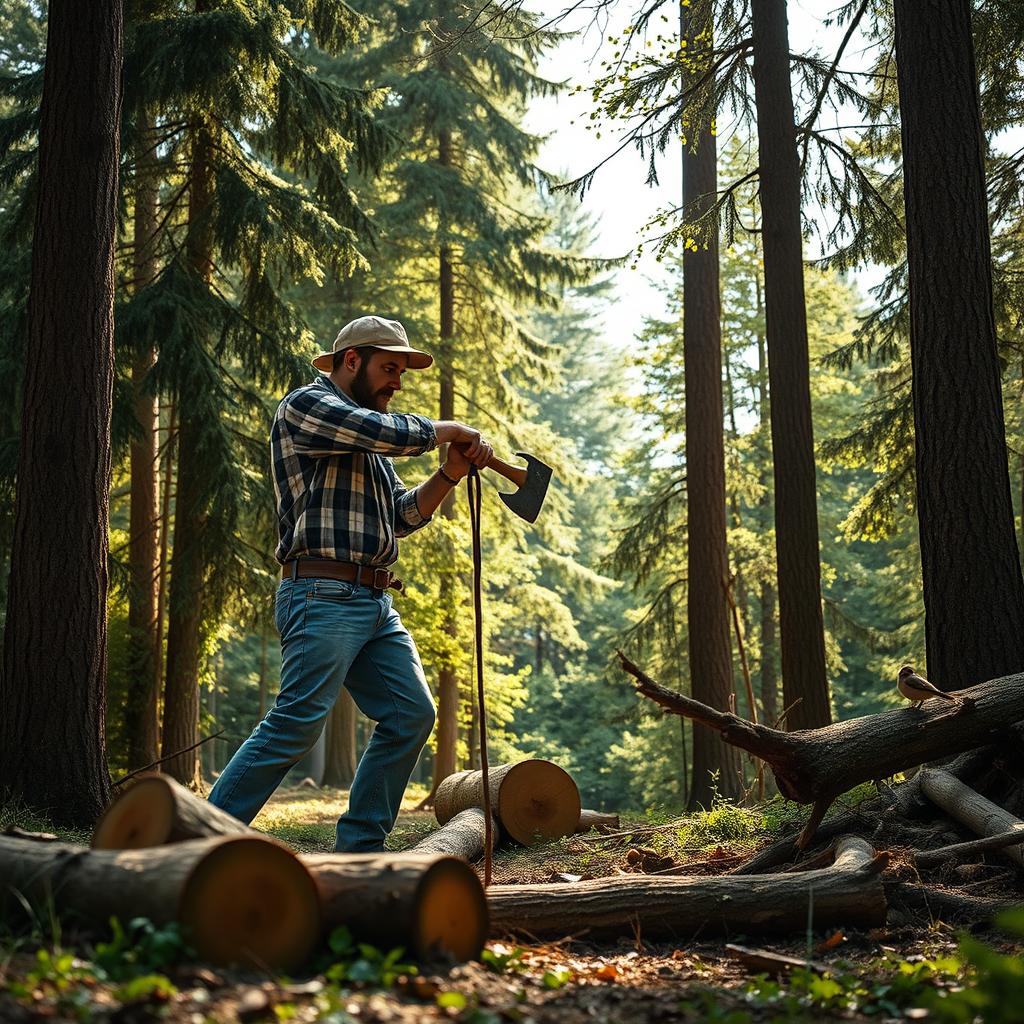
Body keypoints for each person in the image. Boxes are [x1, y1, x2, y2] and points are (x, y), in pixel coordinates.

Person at [208, 314, 493, 852]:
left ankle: (360, 851)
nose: (397, 382)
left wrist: (450, 472)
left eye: (401, 371)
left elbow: (403, 516)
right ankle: (193, 842)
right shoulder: (307, 407)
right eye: (389, 368)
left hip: (374, 601)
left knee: (411, 714)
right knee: (296, 723)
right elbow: (383, 432)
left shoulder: (369, 440)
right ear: (352, 360)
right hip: (321, 592)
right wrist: (447, 431)